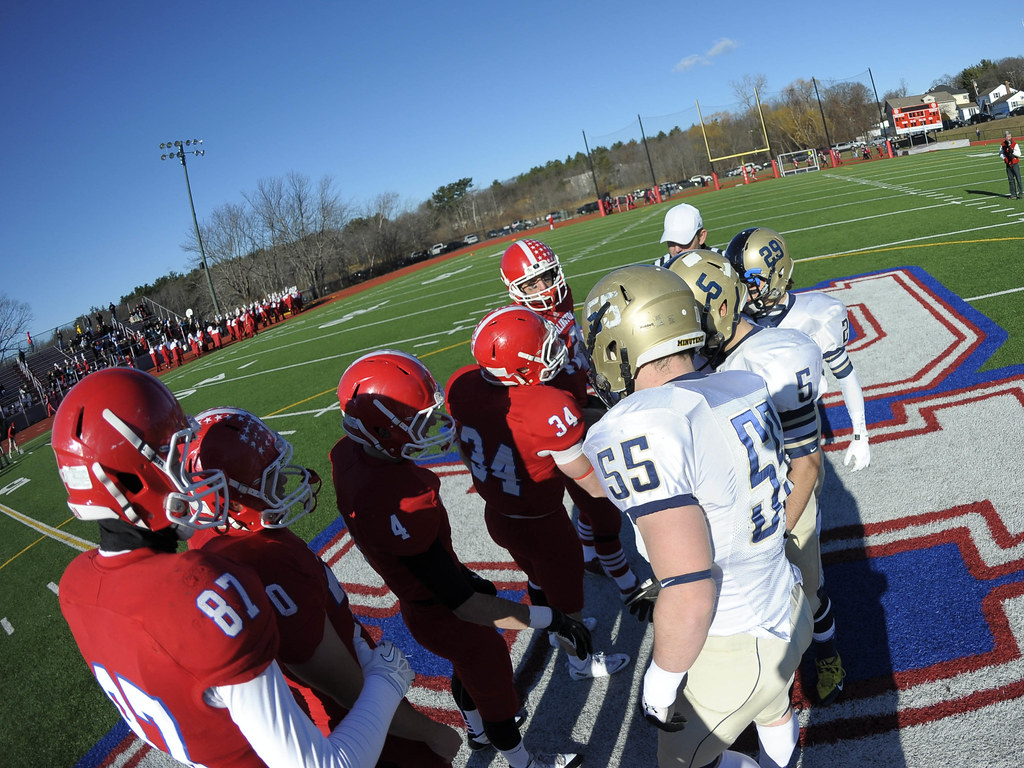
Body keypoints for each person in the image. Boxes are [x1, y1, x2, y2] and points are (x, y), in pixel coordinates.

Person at [53, 367, 416, 768]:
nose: (188, 470)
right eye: (172, 455)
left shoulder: (75, 587)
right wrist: (386, 681)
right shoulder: (200, 589)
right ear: (129, 483)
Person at [580, 265, 812, 768]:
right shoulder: (740, 383)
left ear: (618, 346)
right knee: (773, 709)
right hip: (787, 601)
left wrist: (658, 684)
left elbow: (690, 588)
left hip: (734, 636)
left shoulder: (639, 425)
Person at [332, 350, 591, 768]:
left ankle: (475, 729)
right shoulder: (400, 500)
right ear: (379, 429)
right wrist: (552, 619)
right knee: (495, 689)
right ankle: (523, 761)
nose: (430, 424)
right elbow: (465, 606)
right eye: (414, 419)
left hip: (424, 590)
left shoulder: (350, 454)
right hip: (442, 610)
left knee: (469, 671)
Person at [184, 406, 462, 767]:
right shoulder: (265, 559)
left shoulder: (213, 534)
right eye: (269, 478)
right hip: (359, 726)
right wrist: (431, 731)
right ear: (230, 499)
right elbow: (346, 689)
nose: (284, 482)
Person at [667, 249, 845, 706]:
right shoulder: (706, 358)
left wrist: (777, 530)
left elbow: (807, 462)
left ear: (722, 308)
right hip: (731, 506)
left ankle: (828, 654)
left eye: (693, 323)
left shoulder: (776, 355)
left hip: (783, 498)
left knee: (806, 586)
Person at [446, 306, 634, 680]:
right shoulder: (546, 407)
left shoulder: (463, 385)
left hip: (498, 515)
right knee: (569, 599)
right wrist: (626, 498)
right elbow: (586, 478)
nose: (553, 351)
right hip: (543, 523)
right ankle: (579, 663)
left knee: (535, 576)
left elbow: (464, 445)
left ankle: (554, 633)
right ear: (517, 367)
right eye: (542, 348)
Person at [499, 239, 649, 605]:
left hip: (583, 396)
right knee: (604, 510)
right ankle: (629, 586)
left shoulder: (561, 302)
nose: (545, 287)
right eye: (532, 284)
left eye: (548, 276)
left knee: (589, 505)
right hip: (566, 418)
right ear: (515, 289)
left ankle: (588, 557)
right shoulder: (524, 329)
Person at [725, 227, 871, 472]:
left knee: (806, 494)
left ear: (777, 274)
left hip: (799, 429)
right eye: (737, 280)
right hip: (749, 429)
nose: (742, 288)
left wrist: (860, 434)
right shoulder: (735, 319)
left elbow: (845, 375)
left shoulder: (814, 315)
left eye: (749, 279)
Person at [652, 203, 710, 268]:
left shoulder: (721, 261)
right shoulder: (658, 269)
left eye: (684, 241)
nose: (677, 249)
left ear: (701, 237)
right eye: (671, 241)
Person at [999, 130, 1022, 199]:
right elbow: (1000, 153)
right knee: (1011, 180)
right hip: (1008, 164)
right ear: (1005, 137)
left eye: (1009, 136)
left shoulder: (1015, 144)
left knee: (1018, 179)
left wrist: (1013, 152)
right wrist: (1004, 158)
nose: (1008, 138)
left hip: (1015, 164)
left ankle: (1021, 193)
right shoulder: (1003, 145)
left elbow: (1019, 154)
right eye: (1007, 136)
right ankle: (1013, 194)